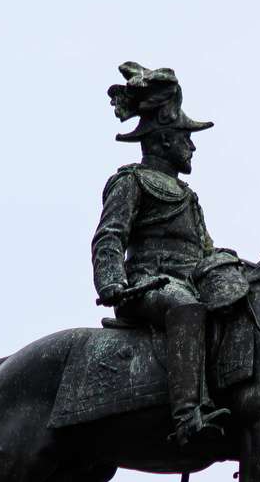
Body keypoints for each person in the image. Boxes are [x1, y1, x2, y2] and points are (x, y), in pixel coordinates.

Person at [91, 62, 247, 444]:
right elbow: (109, 235)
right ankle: (187, 416)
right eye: (186, 138)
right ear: (164, 140)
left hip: (191, 279)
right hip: (147, 285)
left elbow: (205, 248)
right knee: (186, 307)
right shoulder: (131, 181)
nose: (192, 146)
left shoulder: (189, 197)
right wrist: (112, 282)